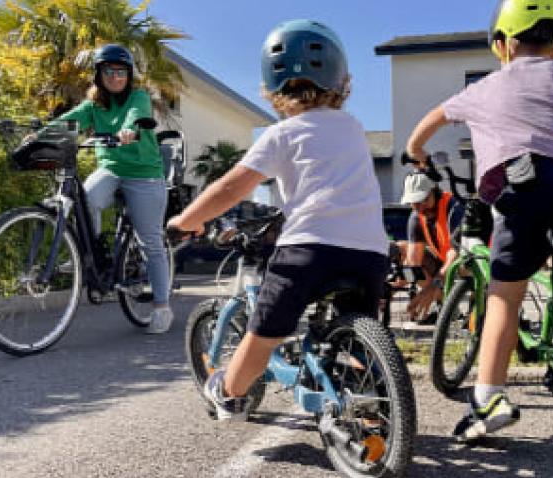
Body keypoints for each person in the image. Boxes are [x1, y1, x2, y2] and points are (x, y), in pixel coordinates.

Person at [405, 0, 553, 441]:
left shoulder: (484, 87)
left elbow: (428, 124)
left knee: (504, 294)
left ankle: (489, 400)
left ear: (503, 43)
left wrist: (417, 153)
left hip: (523, 187)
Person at [167, 20, 389, 419]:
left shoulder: (282, 134)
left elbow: (230, 189)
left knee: (266, 330)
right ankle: (370, 397)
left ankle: (230, 393)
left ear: (272, 85)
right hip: (370, 250)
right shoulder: (354, 129)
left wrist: (185, 219)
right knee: (353, 333)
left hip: (309, 248)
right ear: (341, 80)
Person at [58, 44, 174, 334]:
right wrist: (39, 133)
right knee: (84, 199)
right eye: (108, 71)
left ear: (129, 74)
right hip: (110, 169)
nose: (114, 76)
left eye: (120, 71)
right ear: (99, 75)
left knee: (150, 240)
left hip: (144, 175)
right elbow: (68, 123)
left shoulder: (139, 96)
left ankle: (162, 307)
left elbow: (136, 115)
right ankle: (88, 255)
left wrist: (130, 130)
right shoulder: (94, 105)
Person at [397, 171, 463, 323]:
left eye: (424, 200)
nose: (420, 207)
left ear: (435, 192)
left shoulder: (454, 208)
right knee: (401, 250)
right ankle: (448, 306)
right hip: (442, 261)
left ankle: (478, 304)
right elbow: (414, 262)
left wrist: (433, 286)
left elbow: (457, 253)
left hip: (467, 260)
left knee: (462, 266)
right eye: (415, 202)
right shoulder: (416, 217)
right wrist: (400, 281)